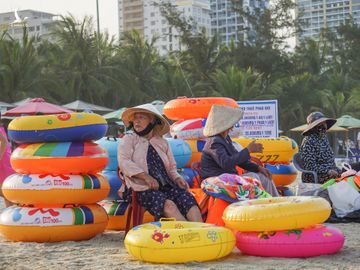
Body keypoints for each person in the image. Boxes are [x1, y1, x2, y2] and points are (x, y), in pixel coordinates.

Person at [117, 103, 202, 222]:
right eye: (135, 118)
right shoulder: (129, 140)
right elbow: (124, 162)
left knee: (188, 200)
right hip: (140, 188)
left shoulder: (162, 142)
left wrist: (177, 178)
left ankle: (200, 234)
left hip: (166, 185)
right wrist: (146, 177)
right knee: (168, 205)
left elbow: (172, 167)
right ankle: (188, 236)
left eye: (141, 117)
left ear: (152, 121)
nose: (136, 121)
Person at [200, 105, 279, 197]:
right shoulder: (214, 142)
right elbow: (226, 163)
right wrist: (248, 150)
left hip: (228, 177)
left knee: (264, 177)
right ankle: (261, 204)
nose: (232, 127)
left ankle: (273, 201)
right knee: (253, 178)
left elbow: (239, 159)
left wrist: (258, 168)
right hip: (216, 179)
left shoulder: (225, 139)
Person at [300, 112, 360, 184]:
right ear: (313, 127)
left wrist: (339, 171)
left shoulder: (323, 138)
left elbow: (330, 161)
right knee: (345, 180)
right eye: (319, 124)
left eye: (324, 123)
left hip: (331, 171)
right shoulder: (308, 141)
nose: (323, 126)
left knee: (352, 175)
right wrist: (327, 171)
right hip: (314, 175)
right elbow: (310, 166)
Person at [0, 121, 15, 207]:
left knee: (7, 194)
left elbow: (4, 142)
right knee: (7, 195)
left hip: (3, 165)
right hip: (5, 164)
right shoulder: (2, 128)